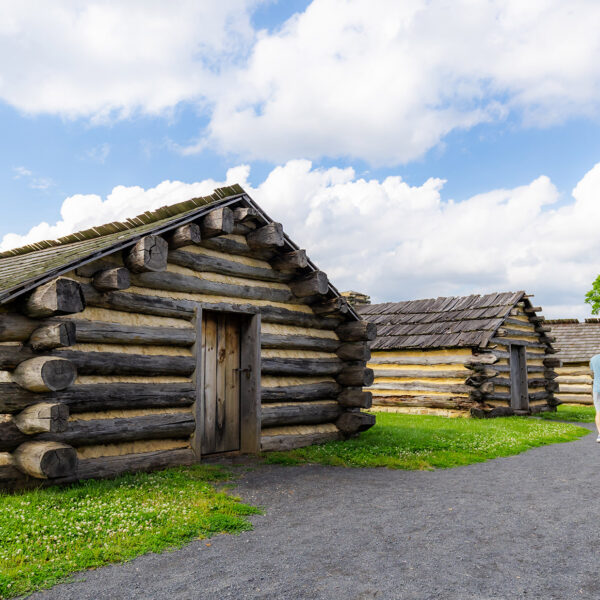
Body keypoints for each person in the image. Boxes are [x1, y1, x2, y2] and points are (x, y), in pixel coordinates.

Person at [591, 353, 600, 441]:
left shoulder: (593, 359)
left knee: (598, 412)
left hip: (596, 389)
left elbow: (593, 371)